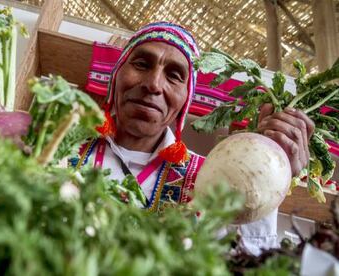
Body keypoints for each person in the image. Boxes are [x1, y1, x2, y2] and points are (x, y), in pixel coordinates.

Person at [69, 22, 314, 255]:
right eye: (142, 64)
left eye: (174, 76)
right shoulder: (62, 148)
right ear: (116, 75)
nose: (154, 84)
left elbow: (244, 260)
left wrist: (269, 176)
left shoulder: (214, 178)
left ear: (186, 98)